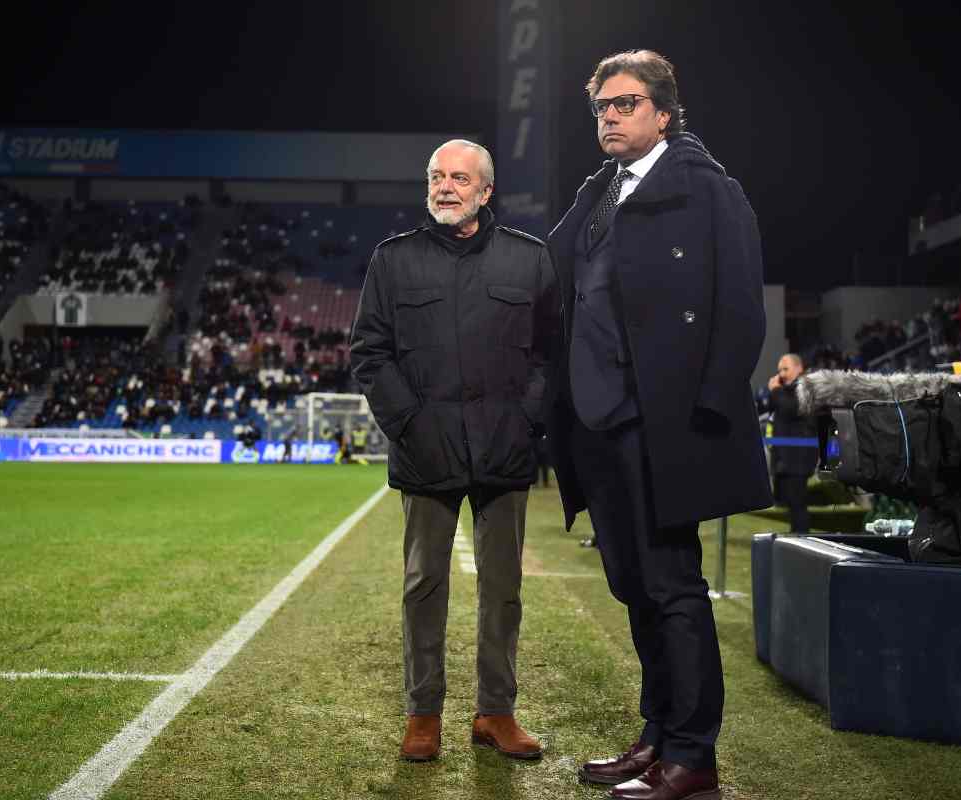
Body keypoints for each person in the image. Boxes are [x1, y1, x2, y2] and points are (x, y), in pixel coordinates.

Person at [546, 50, 772, 799]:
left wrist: (697, 414)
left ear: (663, 113)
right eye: (601, 107)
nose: (609, 116)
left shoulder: (708, 192)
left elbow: (741, 310)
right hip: (595, 423)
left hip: (661, 424)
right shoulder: (598, 193)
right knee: (634, 587)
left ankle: (692, 758)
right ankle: (656, 736)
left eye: (625, 103)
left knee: (673, 588)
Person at [350, 139, 560, 763]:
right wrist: (410, 424)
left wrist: (525, 421)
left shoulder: (531, 260)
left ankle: (496, 713)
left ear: (486, 191)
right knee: (423, 586)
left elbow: (551, 354)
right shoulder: (392, 262)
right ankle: (424, 715)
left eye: (459, 178)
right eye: (436, 177)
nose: (445, 186)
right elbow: (370, 353)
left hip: (504, 451)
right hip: (426, 454)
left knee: (503, 590)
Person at [767, 353, 817, 532]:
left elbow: (791, 408)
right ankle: (796, 536)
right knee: (789, 501)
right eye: (779, 369)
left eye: (785, 369)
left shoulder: (806, 387)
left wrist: (775, 390)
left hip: (798, 456)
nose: (781, 373)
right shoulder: (786, 389)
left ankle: (801, 539)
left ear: (799, 368)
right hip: (786, 455)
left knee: (797, 502)